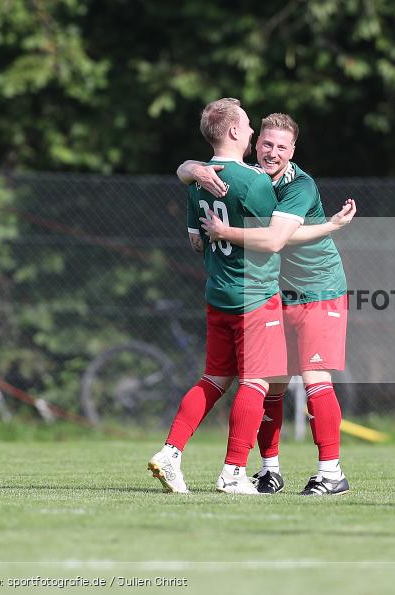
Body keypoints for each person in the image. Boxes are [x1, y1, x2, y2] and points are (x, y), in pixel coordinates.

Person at [178, 113, 354, 496]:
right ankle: (269, 470)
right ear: (255, 144)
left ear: (293, 151)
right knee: (271, 384)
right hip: (274, 295)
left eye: (282, 147)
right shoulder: (253, 178)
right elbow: (191, 169)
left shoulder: (300, 185)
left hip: (318, 291)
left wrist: (225, 232)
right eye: (267, 144)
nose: (273, 152)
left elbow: (276, 239)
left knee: (314, 379)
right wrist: (191, 167)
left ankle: (331, 473)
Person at [147, 98, 309, 495]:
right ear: (234, 132)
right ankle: (234, 472)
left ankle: (171, 452)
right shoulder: (253, 181)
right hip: (253, 295)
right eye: (249, 126)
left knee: (214, 379)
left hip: (217, 293)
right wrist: (330, 226)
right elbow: (277, 237)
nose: (253, 132)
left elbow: (194, 241)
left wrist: (188, 171)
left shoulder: (200, 179)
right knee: (255, 383)